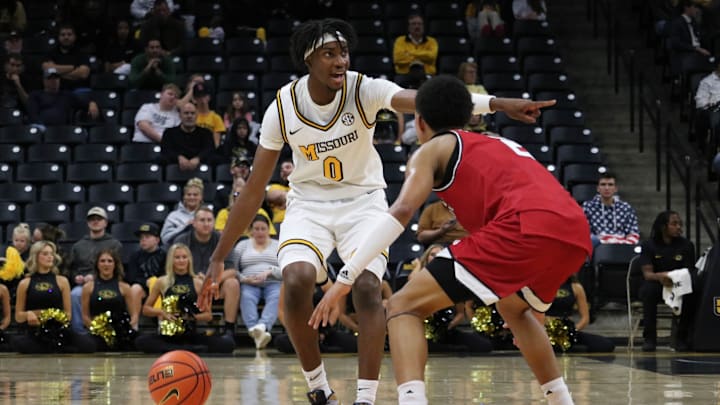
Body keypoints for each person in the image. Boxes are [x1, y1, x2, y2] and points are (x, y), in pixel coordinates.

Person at [198, 19, 553, 405]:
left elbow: (427, 99)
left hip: (363, 201)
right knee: (297, 278)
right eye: (329, 54)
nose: (340, 61)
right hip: (309, 204)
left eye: (344, 52)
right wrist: (219, 257)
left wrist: (498, 104)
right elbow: (253, 190)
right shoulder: (282, 107)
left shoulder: (363, 88)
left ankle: (365, 399)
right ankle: (318, 387)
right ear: (308, 60)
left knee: (367, 286)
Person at [309, 75, 587, 405]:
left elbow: (402, 211)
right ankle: (561, 400)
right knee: (516, 309)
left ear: (420, 121)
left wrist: (345, 278)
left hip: (523, 226)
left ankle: (412, 401)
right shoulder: (496, 142)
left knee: (402, 306)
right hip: (574, 231)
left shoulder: (432, 149)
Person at [134, 243, 235, 354]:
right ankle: (188, 350)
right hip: (168, 335)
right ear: (171, 260)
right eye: (177, 257)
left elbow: (208, 315)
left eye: (184, 257)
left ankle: (179, 350)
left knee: (228, 344)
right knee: (141, 341)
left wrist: (191, 317)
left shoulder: (197, 282)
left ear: (189, 260)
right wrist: (162, 313)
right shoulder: (162, 282)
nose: (181, 261)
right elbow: (146, 309)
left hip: (190, 335)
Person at [11, 241, 95, 354]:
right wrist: (28, 314)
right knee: (19, 343)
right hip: (36, 330)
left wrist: (51, 316)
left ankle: (55, 347)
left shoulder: (62, 281)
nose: (50, 257)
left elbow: (68, 315)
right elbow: (18, 316)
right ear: (36, 257)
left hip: (58, 329)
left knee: (88, 345)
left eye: (51, 254)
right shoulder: (25, 283)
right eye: (45, 254)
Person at [409, 244, 493, 354]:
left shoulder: (453, 281)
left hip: (446, 330)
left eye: (439, 255)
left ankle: (448, 348)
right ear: (426, 258)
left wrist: (450, 325)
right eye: (432, 255)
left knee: (485, 346)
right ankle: (449, 349)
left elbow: (460, 313)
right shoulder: (420, 279)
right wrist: (418, 265)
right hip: (423, 330)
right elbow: (412, 280)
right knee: (422, 346)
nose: (435, 257)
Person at [175, 206, 240, 337]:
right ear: (193, 223)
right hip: (191, 284)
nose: (206, 224)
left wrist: (211, 280)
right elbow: (175, 267)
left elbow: (232, 270)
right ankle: (182, 325)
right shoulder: (182, 240)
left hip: (215, 286)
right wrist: (196, 279)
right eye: (202, 220)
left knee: (232, 283)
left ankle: (229, 329)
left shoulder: (223, 240)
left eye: (209, 220)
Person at [637, 210, 697, 352]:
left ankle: (681, 337)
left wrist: (673, 277)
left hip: (679, 283)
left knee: (692, 292)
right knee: (648, 291)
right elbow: (647, 274)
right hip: (657, 283)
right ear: (663, 227)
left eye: (680, 224)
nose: (678, 227)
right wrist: (662, 277)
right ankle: (650, 338)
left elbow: (690, 271)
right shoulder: (649, 245)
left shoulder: (687, 245)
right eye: (674, 224)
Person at [228, 215, 282, 349]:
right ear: (251, 231)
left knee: (277, 295)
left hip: (273, 282)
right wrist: (244, 279)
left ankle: (262, 326)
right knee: (246, 296)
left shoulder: (278, 245)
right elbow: (232, 268)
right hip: (249, 283)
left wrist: (270, 272)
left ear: (269, 230)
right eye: (256, 229)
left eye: (263, 229)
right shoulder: (242, 245)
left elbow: (286, 268)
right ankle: (255, 329)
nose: (260, 232)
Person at [68, 206, 123, 333]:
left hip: (109, 283)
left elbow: (118, 268)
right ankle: (79, 332)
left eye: (99, 219)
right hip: (83, 285)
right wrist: (76, 277)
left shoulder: (115, 244)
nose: (95, 221)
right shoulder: (78, 246)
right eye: (92, 219)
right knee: (75, 294)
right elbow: (71, 269)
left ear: (106, 222)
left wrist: (94, 277)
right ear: (88, 223)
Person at [81, 249, 137, 350]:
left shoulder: (125, 287)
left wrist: (125, 330)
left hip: (120, 334)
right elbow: (85, 316)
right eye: (102, 261)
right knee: (86, 344)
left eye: (110, 261)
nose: (106, 264)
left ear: (115, 264)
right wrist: (98, 329)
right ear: (97, 265)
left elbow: (134, 315)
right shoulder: (88, 287)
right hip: (97, 334)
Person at [545, 275, 615, 353]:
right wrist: (547, 329)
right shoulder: (542, 286)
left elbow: (585, 318)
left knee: (606, 344)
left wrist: (572, 331)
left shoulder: (576, 287)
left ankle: (569, 347)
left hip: (567, 331)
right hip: (545, 330)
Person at [27, 67, 100, 129]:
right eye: (50, 78)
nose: (54, 81)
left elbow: (84, 104)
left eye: (56, 78)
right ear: (44, 81)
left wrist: (91, 103)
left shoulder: (67, 95)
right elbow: (33, 115)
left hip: (63, 130)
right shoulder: (35, 95)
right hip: (42, 129)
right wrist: (42, 128)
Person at [125, 222, 166, 330]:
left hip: (160, 288)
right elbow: (131, 277)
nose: (143, 240)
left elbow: (167, 275)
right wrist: (145, 282)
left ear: (157, 240)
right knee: (134, 288)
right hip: (143, 288)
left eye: (147, 237)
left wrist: (155, 282)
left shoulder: (165, 255)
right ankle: (134, 325)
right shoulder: (135, 256)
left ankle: (162, 323)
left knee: (158, 284)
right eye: (141, 237)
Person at [582, 173, 640, 247]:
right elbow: (585, 233)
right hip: (597, 247)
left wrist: (615, 242)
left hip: (621, 247)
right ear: (598, 188)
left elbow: (633, 233)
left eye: (610, 185)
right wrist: (605, 241)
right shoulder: (588, 207)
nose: (607, 188)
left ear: (615, 189)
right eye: (603, 184)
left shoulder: (626, 208)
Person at [158, 102, 217, 168]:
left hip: (200, 163)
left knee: (215, 159)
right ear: (180, 115)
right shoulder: (169, 133)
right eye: (186, 113)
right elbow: (166, 150)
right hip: (175, 163)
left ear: (197, 115)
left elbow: (209, 149)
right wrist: (178, 157)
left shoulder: (206, 133)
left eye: (192, 113)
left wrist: (198, 158)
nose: (189, 116)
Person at [41, 23, 91, 91]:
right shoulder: (51, 53)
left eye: (69, 34)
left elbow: (83, 74)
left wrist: (57, 72)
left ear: (75, 37)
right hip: (56, 90)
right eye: (63, 35)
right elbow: (46, 69)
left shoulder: (81, 54)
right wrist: (72, 67)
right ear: (58, 37)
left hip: (77, 90)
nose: (66, 37)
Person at [161, 177, 204, 245]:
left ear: (201, 197)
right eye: (188, 194)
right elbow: (165, 239)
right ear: (184, 197)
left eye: (195, 195)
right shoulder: (173, 216)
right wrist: (185, 227)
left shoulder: (207, 215)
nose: (192, 197)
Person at [458, 61, 489, 133]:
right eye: (470, 72)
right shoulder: (458, 87)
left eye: (474, 72)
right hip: (463, 127)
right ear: (463, 74)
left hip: (480, 127)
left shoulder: (480, 88)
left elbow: (485, 103)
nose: (473, 75)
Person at [192, 82, 225, 147]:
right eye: (198, 96)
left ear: (209, 97)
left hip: (209, 150)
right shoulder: (191, 116)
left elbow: (216, 143)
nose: (202, 99)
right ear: (194, 99)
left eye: (204, 96)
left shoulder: (216, 118)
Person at [265, 159, 293, 225]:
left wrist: (285, 199)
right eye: (281, 170)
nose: (284, 170)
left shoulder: (303, 186)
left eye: (288, 167)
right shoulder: (274, 187)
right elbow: (273, 196)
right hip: (280, 223)